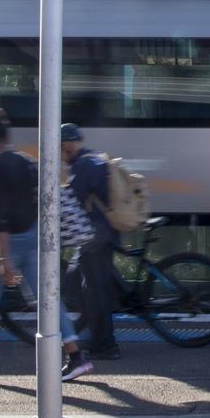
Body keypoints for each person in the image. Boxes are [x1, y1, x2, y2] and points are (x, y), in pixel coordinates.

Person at [0, 108, 93, 383]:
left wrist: (2, 259)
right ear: (6, 136)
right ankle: (76, 356)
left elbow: (0, 217)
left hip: (4, 241)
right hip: (32, 235)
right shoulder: (26, 162)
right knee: (47, 300)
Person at [61, 123, 120, 360]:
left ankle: (106, 344)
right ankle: (94, 335)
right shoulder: (90, 160)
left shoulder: (84, 165)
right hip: (97, 235)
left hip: (95, 237)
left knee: (95, 291)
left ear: (66, 144)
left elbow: (73, 200)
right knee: (84, 285)